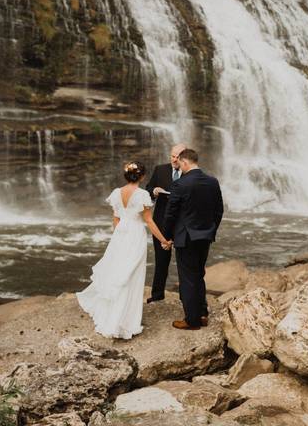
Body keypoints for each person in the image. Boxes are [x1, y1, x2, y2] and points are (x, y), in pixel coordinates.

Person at [77, 161, 173, 339]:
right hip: (135, 235)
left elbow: (116, 219)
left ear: (126, 176)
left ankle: (115, 316)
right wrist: (164, 240)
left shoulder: (116, 193)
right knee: (132, 275)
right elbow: (149, 221)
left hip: (120, 235)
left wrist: (118, 237)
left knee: (118, 272)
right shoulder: (142, 194)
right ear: (142, 177)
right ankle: (126, 321)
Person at [162, 148, 224, 330]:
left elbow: (170, 214)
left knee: (188, 278)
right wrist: (211, 229)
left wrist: (167, 237)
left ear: (185, 162)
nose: (179, 167)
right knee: (198, 274)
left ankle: (192, 320)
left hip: (186, 237)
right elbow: (219, 210)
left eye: (179, 164)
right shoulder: (212, 182)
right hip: (205, 236)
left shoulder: (180, 184)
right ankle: (203, 314)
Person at [143, 142, 187, 303]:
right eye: (172, 156)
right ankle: (157, 294)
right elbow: (148, 189)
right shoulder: (160, 169)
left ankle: (185, 296)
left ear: (185, 157)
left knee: (184, 262)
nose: (174, 160)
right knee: (161, 261)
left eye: (178, 157)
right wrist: (154, 192)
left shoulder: (189, 172)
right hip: (160, 222)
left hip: (182, 224)